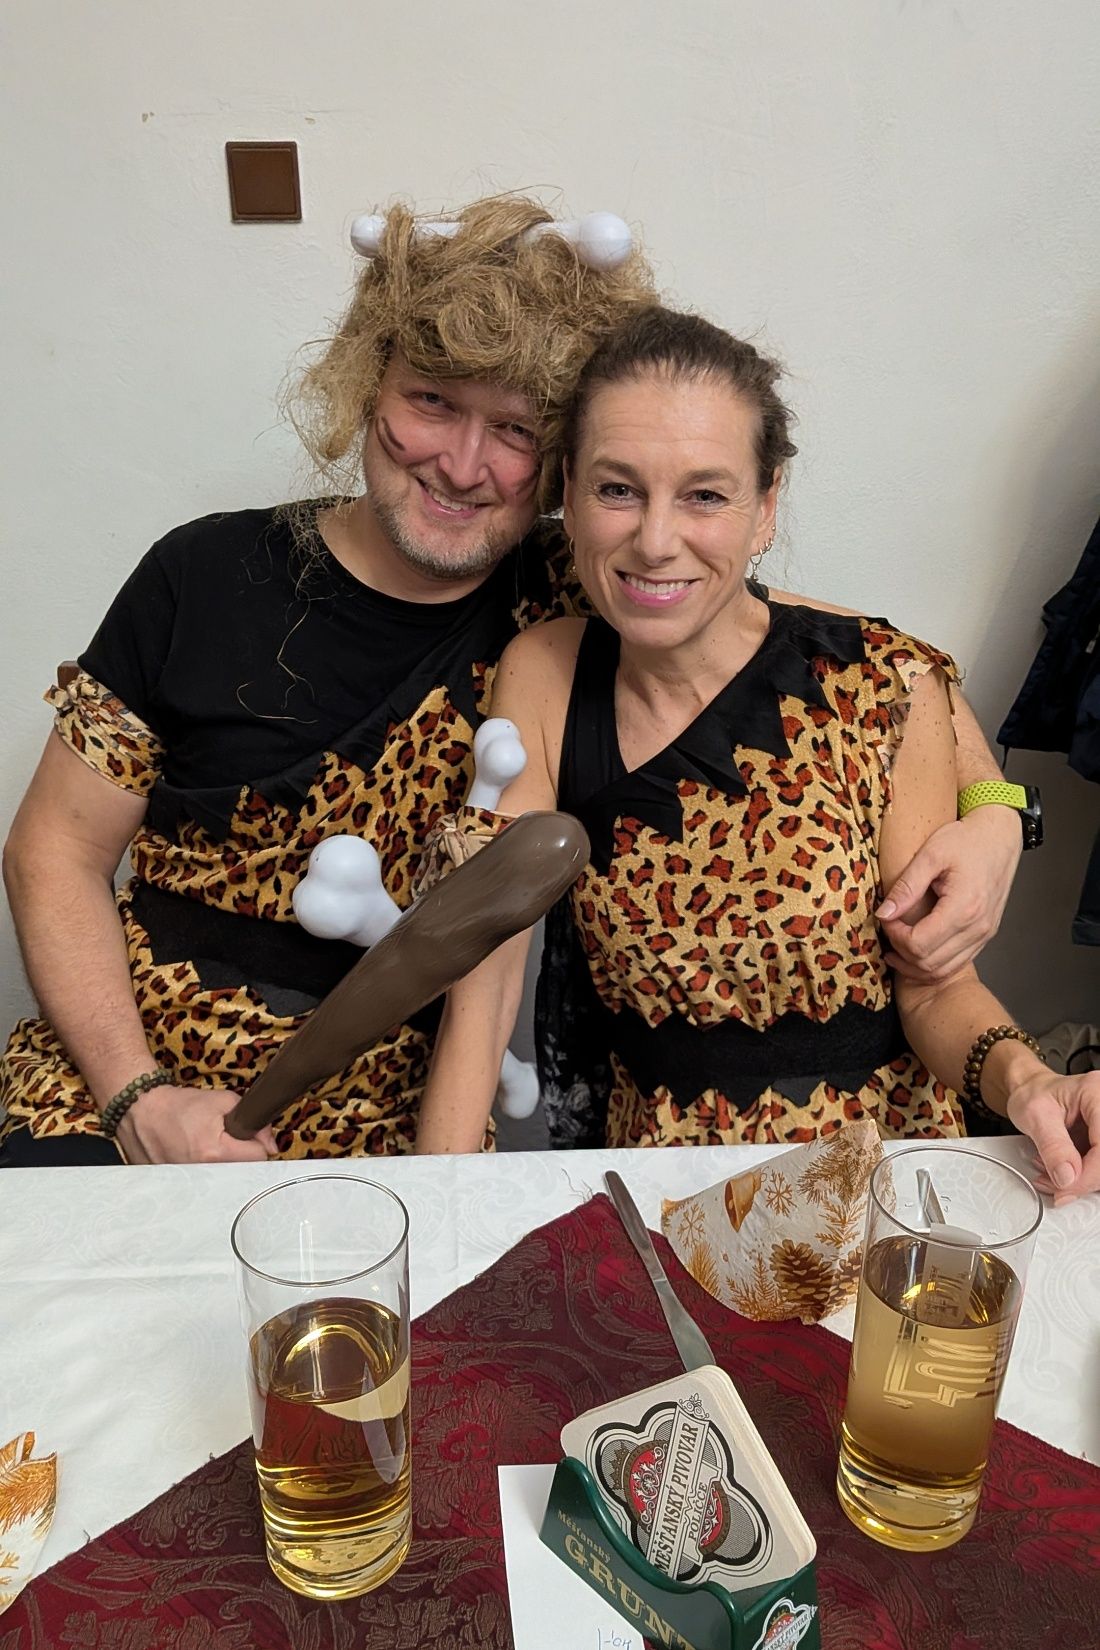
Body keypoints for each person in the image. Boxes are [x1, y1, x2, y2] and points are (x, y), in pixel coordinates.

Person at [1, 201, 1027, 1167]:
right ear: (367, 384)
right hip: (126, 1074)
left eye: (515, 429)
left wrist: (992, 812)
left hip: (384, 1112)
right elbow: (54, 850)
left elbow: (852, 655)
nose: (462, 464)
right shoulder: (203, 573)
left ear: (559, 469)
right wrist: (136, 1098)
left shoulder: (585, 588)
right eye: (431, 402)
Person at [415, 307, 1100, 1202]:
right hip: (665, 1193)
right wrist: (437, 1213)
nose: (655, 540)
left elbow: (935, 989)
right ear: (570, 493)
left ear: (766, 505)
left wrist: (1030, 1083)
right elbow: (484, 988)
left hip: (878, 1178)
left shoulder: (875, 683)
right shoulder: (545, 675)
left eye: (705, 495)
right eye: (619, 489)